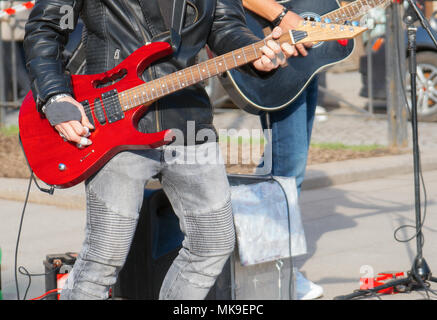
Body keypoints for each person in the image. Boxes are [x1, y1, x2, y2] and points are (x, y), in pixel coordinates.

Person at [23, 0, 295, 300]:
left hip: (188, 119)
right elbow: (45, 27)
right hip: (112, 120)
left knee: (214, 243)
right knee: (103, 260)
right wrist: (55, 94)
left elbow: (225, 26)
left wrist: (254, 52)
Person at [242, 0, 323, 300]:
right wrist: (282, 16)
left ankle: (266, 267)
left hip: (301, 51)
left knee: (288, 166)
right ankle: (273, 275)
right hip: (270, 42)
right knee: (286, 168)